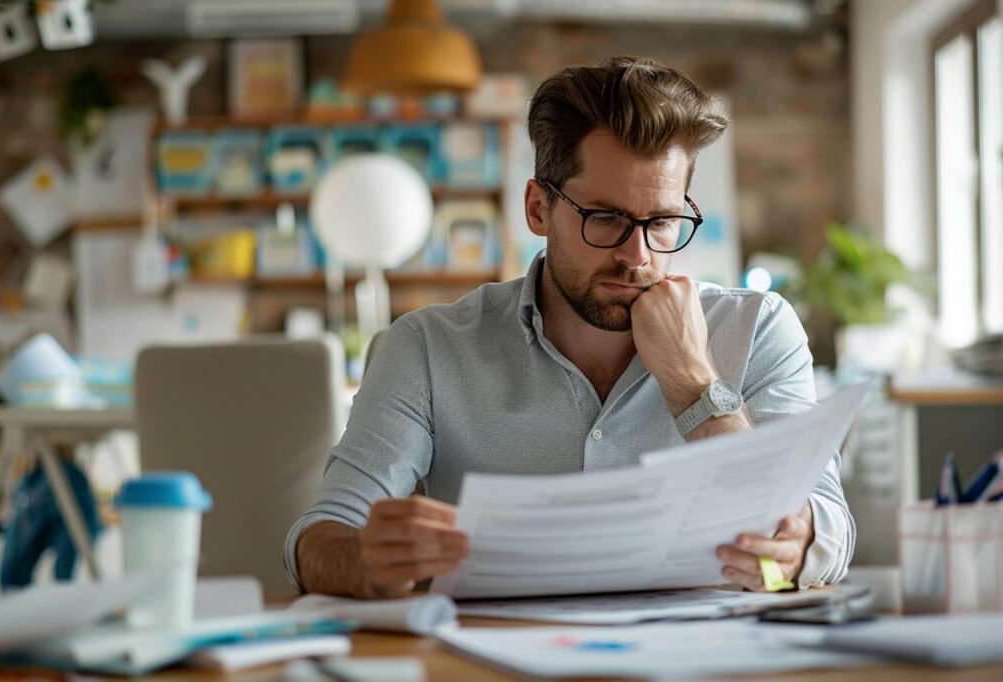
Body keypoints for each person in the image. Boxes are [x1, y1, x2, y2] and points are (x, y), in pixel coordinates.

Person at [285, 56, 854, 599]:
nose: (637, 255)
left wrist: (695, 385)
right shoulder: (427, 348)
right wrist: (366, 563)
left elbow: (825, 532)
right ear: (538, 209)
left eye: (662, 222)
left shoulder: (758, 328)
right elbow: (317, 540)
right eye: (604, 219)